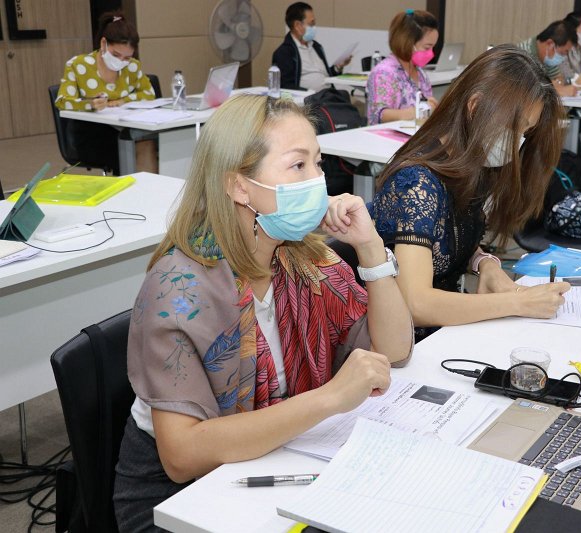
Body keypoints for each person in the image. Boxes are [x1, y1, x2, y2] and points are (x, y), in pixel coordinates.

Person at [113, 94, 414, 531]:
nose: (318, 181)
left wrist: (369, 247)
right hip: (175, 501)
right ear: (239, 186)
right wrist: (329, 398)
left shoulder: (307, 258)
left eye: (318, 164)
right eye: (298, 166)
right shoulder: (179, 289)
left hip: (274, 459)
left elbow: (395, 349)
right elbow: (182, 456)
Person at [370, 45, 571, 340]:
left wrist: (484, 263)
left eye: (525, 132)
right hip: (408, 343)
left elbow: (446, 240)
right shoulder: (418, 182)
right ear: (475, 106)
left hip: (446, 332)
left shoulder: (471, 166)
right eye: (515, 127)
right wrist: (518, 302)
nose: (518, 141)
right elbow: (415, 303)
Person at [55, 11, 158, 173]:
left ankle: (143, 185)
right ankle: (131, 184)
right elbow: (62, 101)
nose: (121, 61)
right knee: (132, 144)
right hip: (90, 133)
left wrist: (123, 100)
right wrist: (90, 104)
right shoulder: (79, 65)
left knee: (148, 140)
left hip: (125, 126)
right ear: (103, 44)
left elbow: (148, 93)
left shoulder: (132, 66)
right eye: (116, 55)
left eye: (126, 57)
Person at [366, 9, 440, 125]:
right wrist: (414, 112)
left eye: (433, 47)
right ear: (408, 43)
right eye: (427, 47)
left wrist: (431, 107)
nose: (431, 53)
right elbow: (378, 115)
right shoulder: (384, 73)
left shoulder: (420, 74)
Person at [271, 2, 351, 91]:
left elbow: (324, 75)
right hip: (310, 98)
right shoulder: (284, 53)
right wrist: (310, 93)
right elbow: (285, 87)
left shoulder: (316, 47)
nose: (314, 27)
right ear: (297, 25)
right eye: (311, 24)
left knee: (345, 95)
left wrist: (338, 66)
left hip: (328, 94)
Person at [518, 20, 579, 97]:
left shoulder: (547, 56)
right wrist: (556, 91)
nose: (564, 57)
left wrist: (556, 85)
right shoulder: (522, 56)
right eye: (563, 52)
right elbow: (523, 91)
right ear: (550, 43)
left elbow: (558, 78)